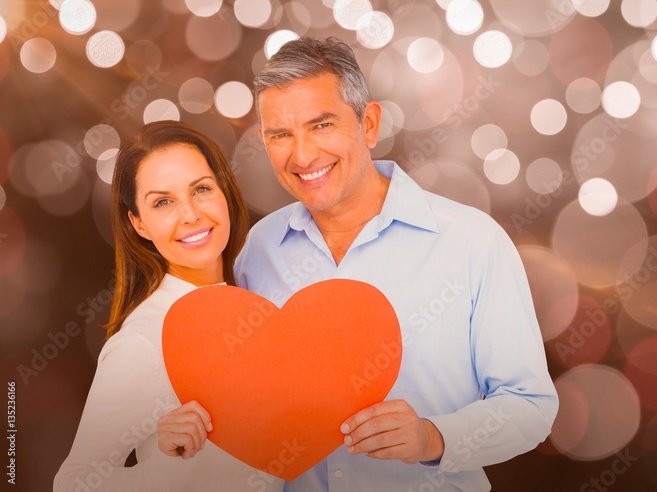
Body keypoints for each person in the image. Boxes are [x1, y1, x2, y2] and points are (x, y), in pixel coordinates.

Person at [233, 36, 559, 491]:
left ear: (368, 124)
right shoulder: (260, 248)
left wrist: (433, 437)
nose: (302, 155)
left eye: (321, 125)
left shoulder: (471, 242)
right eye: (280, 135)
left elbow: (531, 405)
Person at [54, 121, 283, 492]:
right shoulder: (145, 340)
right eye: (163, 202)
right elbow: (73, 483)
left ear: (224, 189)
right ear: (139, 224)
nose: (190, 214)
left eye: (202, 189)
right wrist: (164, 467)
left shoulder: (260, 302)